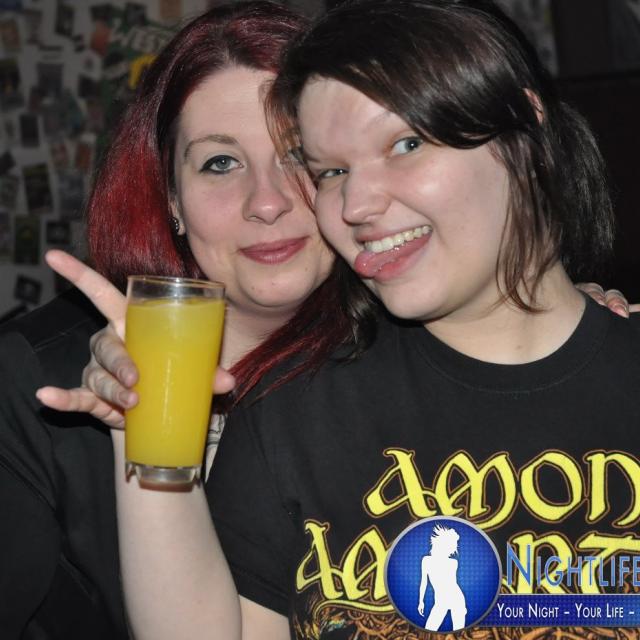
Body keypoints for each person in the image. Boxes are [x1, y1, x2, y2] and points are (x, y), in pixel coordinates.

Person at [73, 1, 639, 639]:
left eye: (405, 144)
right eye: (332, 171)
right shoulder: (291, 412)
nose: (356, 204)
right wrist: (145, 423)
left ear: (525, 133)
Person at [0, 3, 363, 637]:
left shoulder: (414, 360)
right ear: (172, 197)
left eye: (297, 155)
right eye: (220, 162)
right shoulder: (32, 379)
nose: (267, 202)